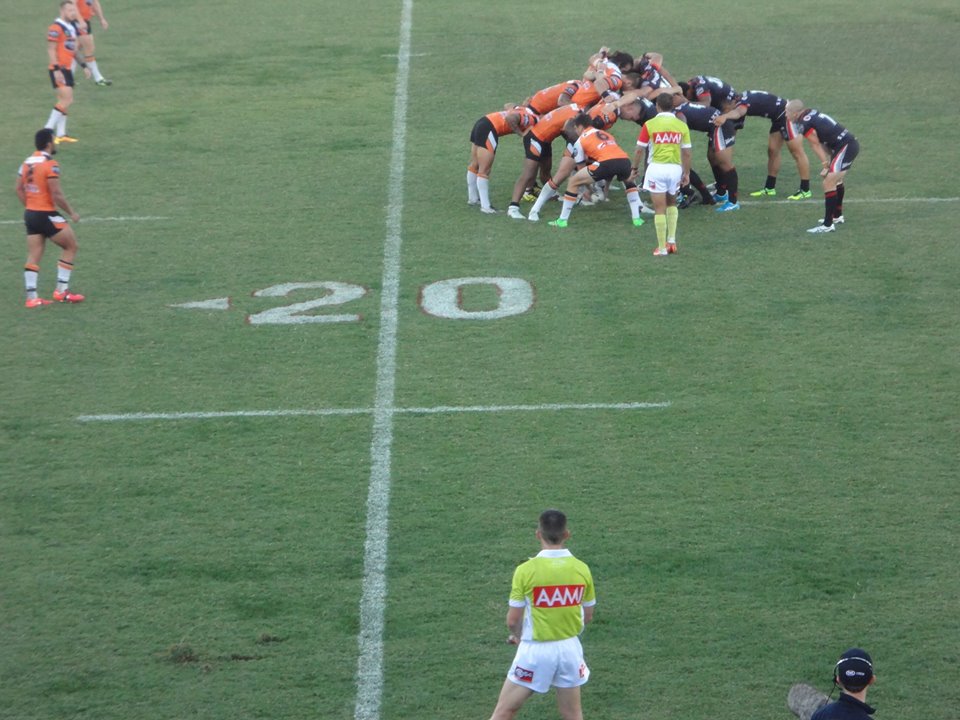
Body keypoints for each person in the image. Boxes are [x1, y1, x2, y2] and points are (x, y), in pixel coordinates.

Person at [486, 509, 596, 720]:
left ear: (538, 534)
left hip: (535, 652)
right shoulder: (582, 569)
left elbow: (513, 620)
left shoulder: (526, 570)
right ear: (566, 534)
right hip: (570, 650)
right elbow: (588, 615)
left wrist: (518, 636)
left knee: (504, 712)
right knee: (572, 715)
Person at [15, 128, 85, 307]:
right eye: (53, 140)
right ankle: (61, 291)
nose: (54, 143)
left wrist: (30, 206)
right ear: (48, 143)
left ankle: (32, 298)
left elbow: (18, 188)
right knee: (71, 246)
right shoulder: (50, 164)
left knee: (34, 254)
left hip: (30, 214)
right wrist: (72, 212)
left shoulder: (26, 162)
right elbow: (56, 194)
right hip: (46, 213)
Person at [548, 113, 644, 228]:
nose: (576, 131)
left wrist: (588, 189)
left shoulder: (580, 141)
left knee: (573, 181)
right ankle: (637, 219)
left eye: (576, 128)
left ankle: (562, 220)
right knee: (629, 183)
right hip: (624, 160)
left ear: (580, 127)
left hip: (606, 163)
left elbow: (581, 170)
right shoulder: (605, 134)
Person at [713, 90, 812, 199]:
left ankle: (805, 189)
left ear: (731, 102)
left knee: (797, 152)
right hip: (778, 117)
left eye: (725, 108)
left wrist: (725, 116)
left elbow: (738, 113)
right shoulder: (739, 100)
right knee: (772, 150)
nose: (725, 111)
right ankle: (770, 188)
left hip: (788, 115)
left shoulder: (742, 103)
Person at [784, 100, 860, 233]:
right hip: (845, 145)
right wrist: (830, 162)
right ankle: (837, 216)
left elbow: (815, 144)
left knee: (828, 182)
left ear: (795, 113)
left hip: (845, 147)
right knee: (836, 180)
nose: (786, 115)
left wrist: (825, 164)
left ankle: (827, 225)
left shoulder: (804, 123)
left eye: (787, 112)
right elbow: (822, 140)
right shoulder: (809, 114)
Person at [633, 92, 691, 256]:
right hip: (674, 169)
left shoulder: (649, 124)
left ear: (657, 106)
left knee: (659, 209)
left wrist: (634, 168)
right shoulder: (681, 125)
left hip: (656, 169)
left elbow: (639, 150)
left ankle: (662, 248)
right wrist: (686, 173)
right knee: (672, 204)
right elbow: (687, 153)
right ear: (672, 106)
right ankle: (671, 241)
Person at [673, 96, 740, 212]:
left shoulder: (676, 114)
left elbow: (683, 126)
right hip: (714, 126)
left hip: (720, 125)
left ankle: (733, 202)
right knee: (712, 158)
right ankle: (721, 193)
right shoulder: (680, 107)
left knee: (724, 163)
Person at [467, 106, 539, 213]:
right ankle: (486, 207)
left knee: (475, 164)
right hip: (489, 128)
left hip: (482, 122)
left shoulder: (522, 109)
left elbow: (508, 105)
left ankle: (473, 198)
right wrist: (522, 134)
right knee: (484, 170)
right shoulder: (532, 120)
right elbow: (510, 119)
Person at [45, 0, 82, 144]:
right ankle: (47, 129)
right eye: (69, 11)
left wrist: (84, 65)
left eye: (74, 10)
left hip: (67, 69)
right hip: (59, 69)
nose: (73, 13)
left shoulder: (71, 27)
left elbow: (73, 50)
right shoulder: (56, 27)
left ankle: (61, 134)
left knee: (64, 101)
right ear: (62, 11)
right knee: (67, 100)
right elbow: (51, 49)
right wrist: (56, 70)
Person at [76, 0, 111, 86]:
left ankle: (67, 78)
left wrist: (102, 19)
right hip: (77, 22)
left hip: (85, 21)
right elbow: (71, 5)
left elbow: (95, 3)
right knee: (88, 49)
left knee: (74, 49)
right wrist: (80, 20)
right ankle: (98, 78)